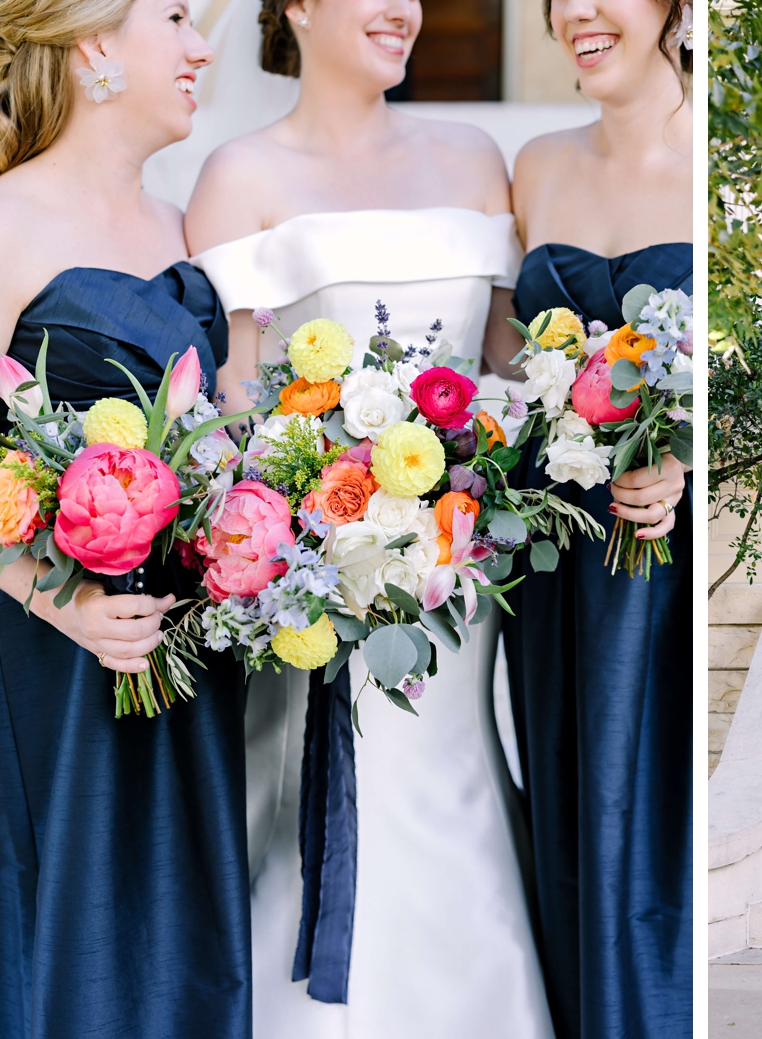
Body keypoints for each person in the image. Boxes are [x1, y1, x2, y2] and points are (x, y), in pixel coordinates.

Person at [182, 0, 551, 1034]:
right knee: (310, 807)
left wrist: (482, 473)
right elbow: (229, 421)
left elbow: (508, 373)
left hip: (455, 582)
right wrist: (315, 532)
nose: (405, 11)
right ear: (298, 4)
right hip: (311, 586)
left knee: (450, 792)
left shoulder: (479, 157)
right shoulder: (236, 178)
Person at [0, 1, 252, 1036]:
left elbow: (234, 442)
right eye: (180, 16)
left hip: (187, 666)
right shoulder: (8, 220)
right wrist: (52, 604)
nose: (203, 49)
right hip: (49, 663)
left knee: (183, 948)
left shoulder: (181, 227)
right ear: (95, 42)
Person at [494, 0, 693, 1035]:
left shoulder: (720, 152)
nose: (576, 11)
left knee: (655, 828)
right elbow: (500, 371)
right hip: (557, 564)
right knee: (569, 814)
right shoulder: (533, 166)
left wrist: (689, 457)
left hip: (668, 566)